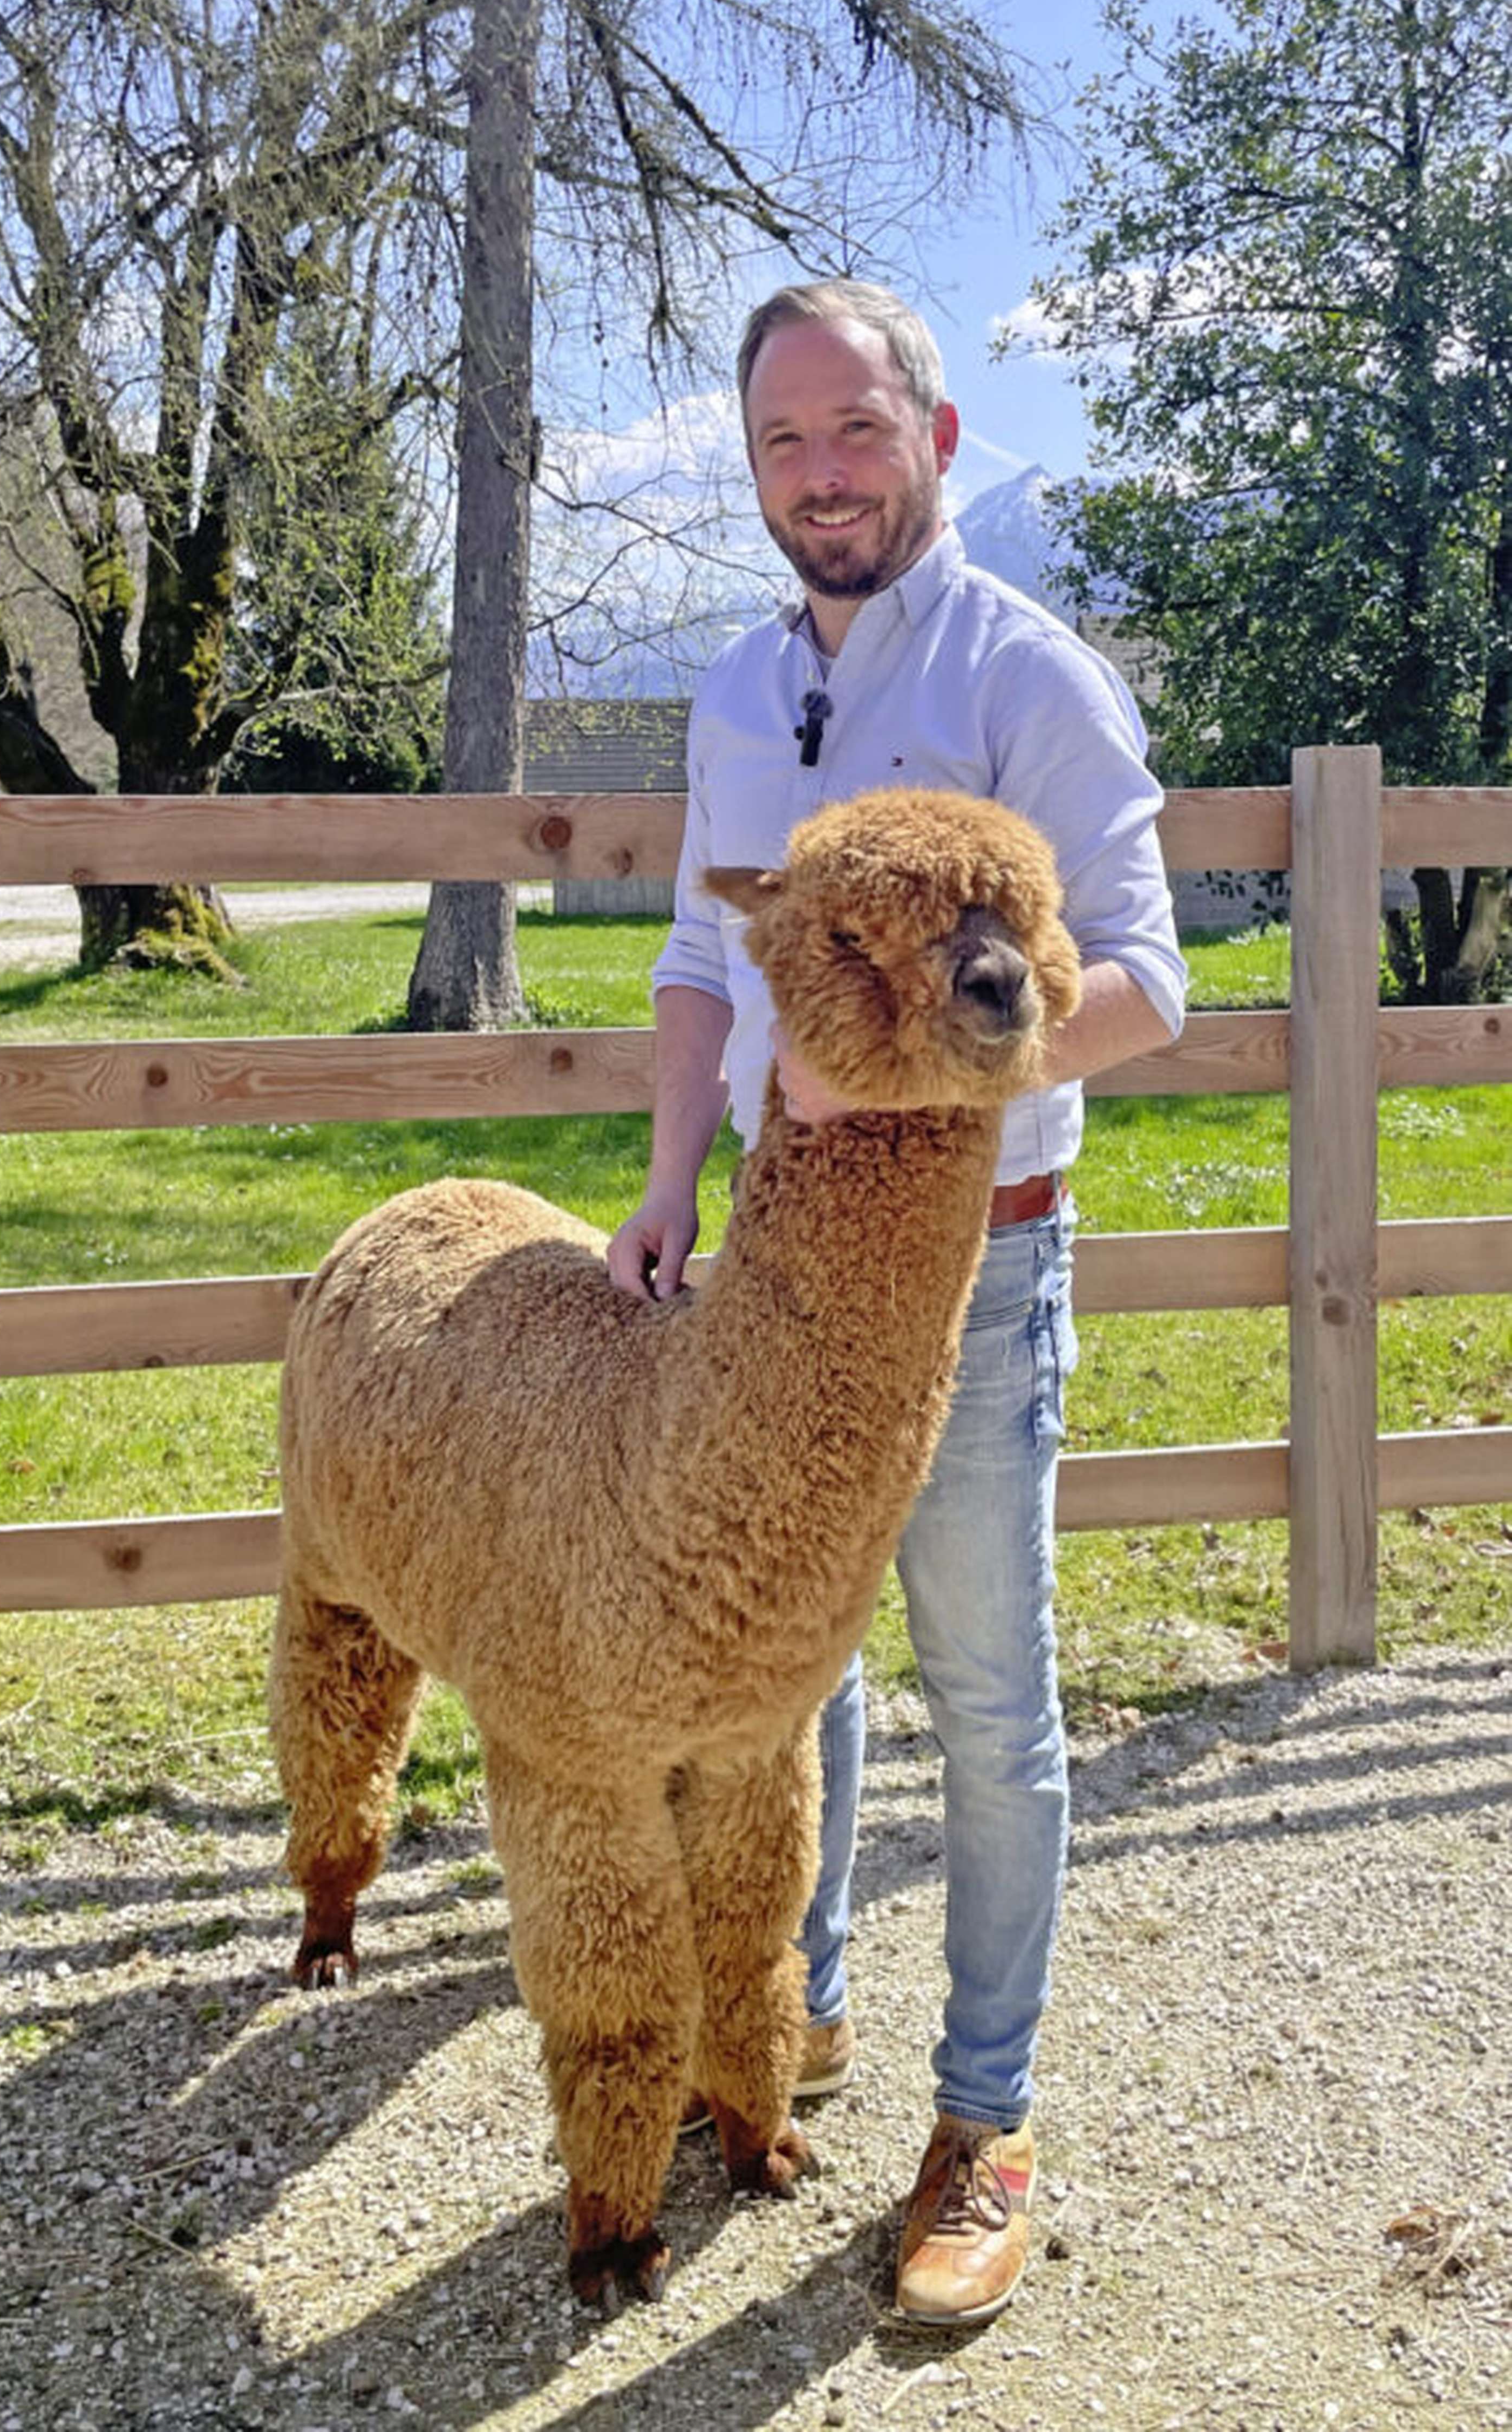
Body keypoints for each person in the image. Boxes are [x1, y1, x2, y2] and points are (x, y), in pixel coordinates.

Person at [607, 278, 1186, 2326]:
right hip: (778, 1273)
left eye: (856, 429)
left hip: (980, 1259)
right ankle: (802, 2000)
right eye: (785, 440)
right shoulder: (736, 692)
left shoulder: (1028, 672)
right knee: (793, 1667)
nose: (823, 474)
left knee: (989, 1690)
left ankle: (985, 2118)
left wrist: (922, 1076)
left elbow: (1145, 975)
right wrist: (668, 1182)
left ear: (934, 437)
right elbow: (703, 965)